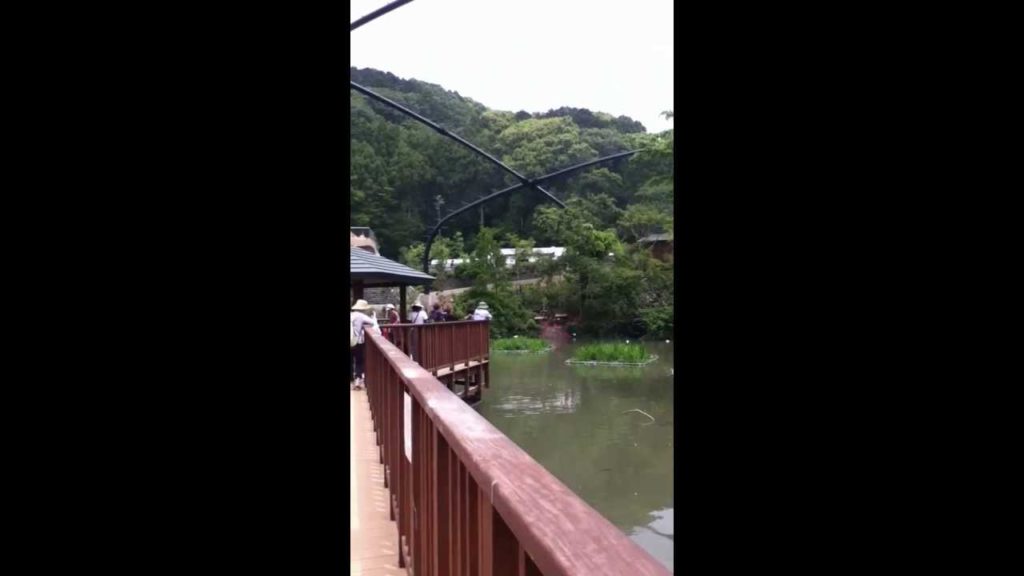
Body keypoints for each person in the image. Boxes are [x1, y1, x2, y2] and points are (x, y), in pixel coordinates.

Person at [350, 299, 375, 390]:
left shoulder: (351, 314)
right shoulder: (361, 316)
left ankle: (351, 380)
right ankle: (357, 379)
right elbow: (372, 323)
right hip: (358, 341)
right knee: (359, 360)